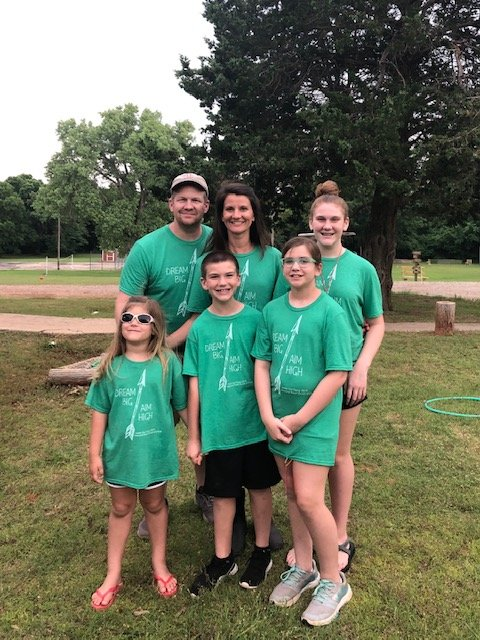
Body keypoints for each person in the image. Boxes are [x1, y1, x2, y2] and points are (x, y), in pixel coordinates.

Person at [252, 237, 353, 627]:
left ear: (317, 269)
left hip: (313, 422)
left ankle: (333, 580)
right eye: (289, 261)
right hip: (277, 420)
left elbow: (337, 373)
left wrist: (298, 419)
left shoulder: (329, 313)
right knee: (292, 492)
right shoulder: (273, 311)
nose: (295, 267)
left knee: (310, 498)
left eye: (303, 261)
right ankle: (304, 566)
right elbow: (262, 363)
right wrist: (267, 414)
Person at [286, 180, 385, 573]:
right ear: (311, 222)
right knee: (303, 459)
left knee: (337, 454)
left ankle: (339, 533)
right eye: (320, 219)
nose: (327, 225)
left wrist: (361, 366)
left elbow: (376, 324)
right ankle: (309, 535)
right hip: (302, 376)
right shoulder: (297, 261)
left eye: (334, 219)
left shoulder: (361, 269)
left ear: (346, 223)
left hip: (345, 377)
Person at [186, 181, 287, 553]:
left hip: (262, 359)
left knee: (258, 445)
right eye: (229, 209)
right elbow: (199, 314)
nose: (237, 215)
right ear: (221, 214)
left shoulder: (272, 257)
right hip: (220, 362)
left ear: (254, 213)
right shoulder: (211, 259)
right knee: (228, 449)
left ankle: (263, 521)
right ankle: (235, 522)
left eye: (243, 208)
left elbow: (281, 310)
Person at [115, 173, 214, 529]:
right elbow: (126, 301)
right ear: (171, 204)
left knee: (201, 422)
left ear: (206, 206)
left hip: (202, 347)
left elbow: (204, 311)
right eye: (181, 198)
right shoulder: (148, 247)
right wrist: (137, 344)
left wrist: (164, 347)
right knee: (155, 423)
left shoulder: (215, 242)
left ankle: (207, 492)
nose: (188, 205)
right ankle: (153, 500)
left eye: (196, 199)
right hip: (153, 348)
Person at [183, 250, 281, 596]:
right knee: (223, 496)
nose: (222, 282)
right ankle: (223, 558)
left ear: (238, 279)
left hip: (254, 425)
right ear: (204, 283)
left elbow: (266, 368)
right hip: (218, 428)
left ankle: (263, 550)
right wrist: (195, 437)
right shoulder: (199, 329)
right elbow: (193, 384)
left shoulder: (257, 319)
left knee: (259, 489)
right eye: (215, 277)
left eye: (228, 275)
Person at [86, 296, 188, 610]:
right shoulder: (110, 366)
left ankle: (159, 564)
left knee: (155, 505)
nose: (133, 322)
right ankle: (113, 573)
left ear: (155, 328)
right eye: (128, 317)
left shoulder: (168, 363)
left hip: (155, 452)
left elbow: (181, 405)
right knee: (121, 508)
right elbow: (100, 412)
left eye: (143, 319)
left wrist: (197, 439)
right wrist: (94, 453)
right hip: (121, 454)